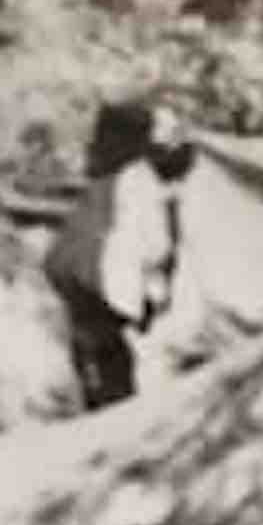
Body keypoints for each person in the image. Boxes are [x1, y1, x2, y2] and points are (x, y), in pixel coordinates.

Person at [44, 105, 194, 411]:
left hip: (75, 275)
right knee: (112, 366)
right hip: (104, 282)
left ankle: (99, 403)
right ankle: (110, 413)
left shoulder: (105, 181)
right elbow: (154, 246)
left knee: (96, 351)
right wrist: (154, 295)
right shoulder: (141, 183)